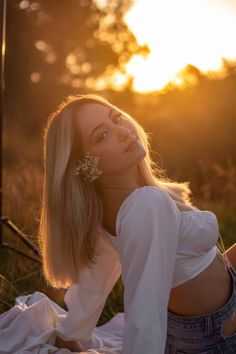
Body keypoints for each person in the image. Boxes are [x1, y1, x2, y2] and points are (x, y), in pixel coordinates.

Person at [38, 93, 236, 354]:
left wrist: (69, 334)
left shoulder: (112, 210)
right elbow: (145, 305)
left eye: (116, 119)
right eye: (102, 135)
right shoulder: (147, 205)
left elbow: (93, 284)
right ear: (85, 166)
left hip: (207, 320)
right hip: (220, 338)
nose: (122, 132)